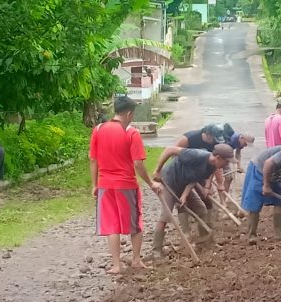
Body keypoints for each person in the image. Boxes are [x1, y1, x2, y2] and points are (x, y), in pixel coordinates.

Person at [89, 96, 162, 274]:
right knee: (134, 223)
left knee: (111, 225)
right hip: (126, 184)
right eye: (133, 114)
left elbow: (93, 160)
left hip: (105, 185)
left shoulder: (98, 130)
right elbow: (138, 163)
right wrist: (151, 183)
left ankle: (116, 265)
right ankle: (136, 260)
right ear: (129, 113)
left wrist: (94, 184)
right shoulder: (131, 132)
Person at [152, 144, 233, 256]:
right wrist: (158, 170)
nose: (227, 164)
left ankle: (205, 242)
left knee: (201, 209)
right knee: (166, 216)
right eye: (226, 161)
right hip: (168, 181)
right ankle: (156, 252)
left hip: (183, 183)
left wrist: (185, 195)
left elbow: (194, 179)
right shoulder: (196, 155)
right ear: (218, 157)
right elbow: (170, 149)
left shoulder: (212, 166)